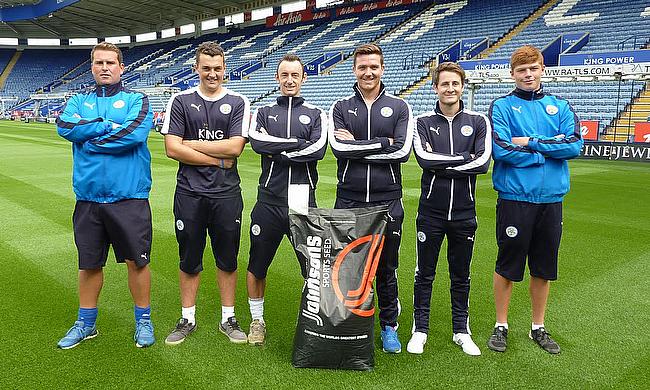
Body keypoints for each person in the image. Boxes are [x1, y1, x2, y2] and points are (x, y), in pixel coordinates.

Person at [56, 41, 155, 349]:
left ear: (121, 67)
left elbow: (134, 133)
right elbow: (64, 125)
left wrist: (90, 141)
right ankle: (86, 323)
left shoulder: (137, 99)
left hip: (129, 198)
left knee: (136, 263)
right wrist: (102, 124)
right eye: (99, 62)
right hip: (88, 199)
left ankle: (143, 321)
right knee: (88, 265)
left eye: (110, 62)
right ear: (92, 67)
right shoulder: (77, 100)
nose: (104, 67)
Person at [487, 45, 583, 354]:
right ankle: (501, 324)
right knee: (508, 262)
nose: (528, 74)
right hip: (515, 197)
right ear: (512, 74)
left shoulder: (561, 106)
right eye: (521, 70)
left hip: (551, 200)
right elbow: (502, 149)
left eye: (533, 68)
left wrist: (531, 143)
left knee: (543, 266)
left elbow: (573, 145)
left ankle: (537, 327)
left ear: (542, 69)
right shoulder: (501, 106)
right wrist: (547, 153)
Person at [161, 42, 250, 345]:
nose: (212, 74)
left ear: (225, 69)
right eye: (206, 68)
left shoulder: (238, 101)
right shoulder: (181, 100)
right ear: (196, 68)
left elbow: (235, 147)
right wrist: (217, 158)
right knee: (189, 258)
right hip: (189, 193)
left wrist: (191, 144)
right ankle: (187, 318)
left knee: (227, 258)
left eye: (217, 68)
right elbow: (172, 148)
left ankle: (229, 318)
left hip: (226, 194)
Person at [328, 43, 413, 354]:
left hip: (387, 200)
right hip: (349, 199)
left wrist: (361, 145)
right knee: (348, 267)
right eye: (362, 67)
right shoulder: (339, 106)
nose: (368, 72)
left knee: (386, 268)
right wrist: (382, 143)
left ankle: (389, 325)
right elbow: (338, 149)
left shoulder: (400, 106)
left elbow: (402, 151)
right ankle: (351, 327)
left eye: (373, 66)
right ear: (354, 70)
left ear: (382, 68)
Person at [408, 62, 491, 356]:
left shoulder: (479, 121)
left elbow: (482, 163)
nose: (450, 89)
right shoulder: (422, 122)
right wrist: (463, 158)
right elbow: (425, 160)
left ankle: (461, 331)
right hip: (430, 213)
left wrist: (446, 161)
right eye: (444, 84)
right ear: (435, 88)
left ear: (462, 86)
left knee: (461, 275)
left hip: (465, 214)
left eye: (455, 84)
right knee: (424, 274)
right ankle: (420, 329)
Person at [246, 54, 328, 345]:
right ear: (277, 78)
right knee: (257, 265)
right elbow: (256, 142)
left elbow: (318, 149)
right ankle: (257, 320)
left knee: (312, 269)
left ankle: (311, 323)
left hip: (301, 198)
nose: (290, 80)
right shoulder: (265, 111)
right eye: (284, 75)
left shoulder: (317, 113)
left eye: (295, 75)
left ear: (304, 78)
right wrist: (296, 144)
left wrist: (277, 149)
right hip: (268, 199)